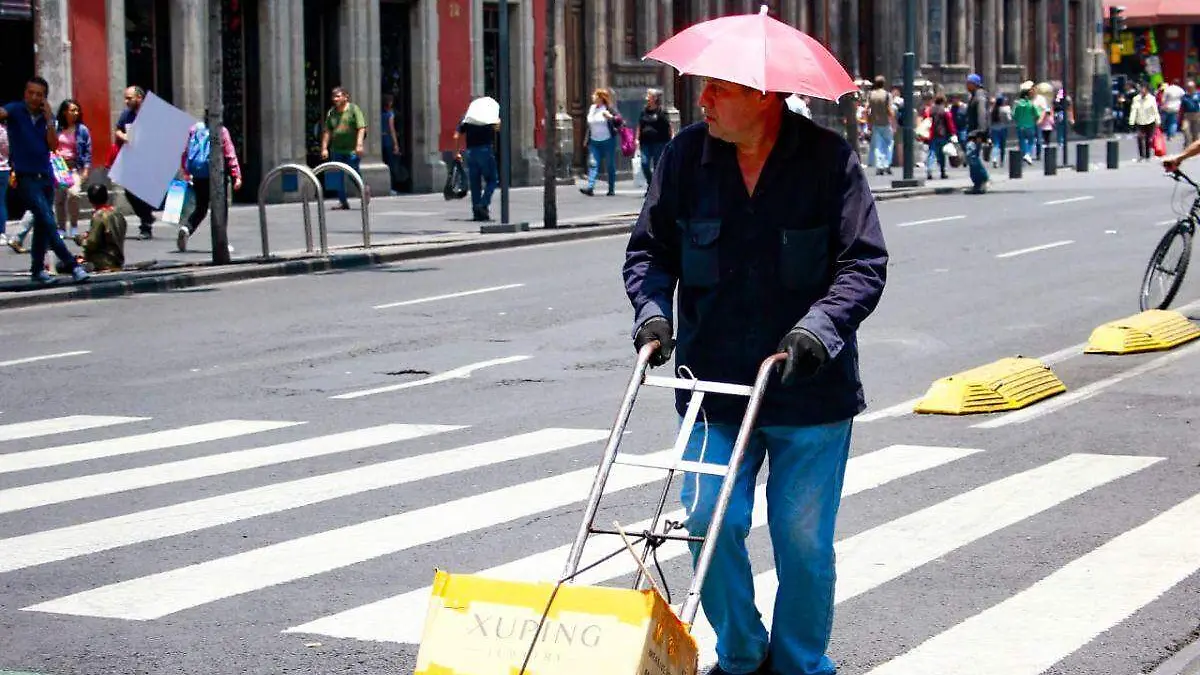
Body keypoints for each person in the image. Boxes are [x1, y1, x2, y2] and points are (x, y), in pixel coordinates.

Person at [623, 76, 888, 675]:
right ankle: (741, 656)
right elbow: (648, 252)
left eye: (719, 90)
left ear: (763, 97)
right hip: (713, 388)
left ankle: (798, 665)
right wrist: (654, 313)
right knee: (707, 520)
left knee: (802, 542)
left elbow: (864, 262)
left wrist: (820, 327)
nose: (703, 102)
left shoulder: (828, 161)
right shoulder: (685, 158)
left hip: (808, 391)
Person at [0, 77, 87, 283]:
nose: (34, 97)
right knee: (48, 220)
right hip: (25, 176)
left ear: (44, 98)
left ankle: (37, 270)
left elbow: (53, 146)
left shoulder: (46, 118)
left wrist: (49, 120)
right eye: (31, 93)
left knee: (41, 224)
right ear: (25, 93)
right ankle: (72, 264)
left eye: (39, 94)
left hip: (46, 176)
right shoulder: (15, 110)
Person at [177, 120, 243, 251]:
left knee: (201, 208)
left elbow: (185, 152)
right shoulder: (221, 131)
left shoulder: (194, 130)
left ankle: (187, 228)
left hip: (199, 176)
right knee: (220, 209)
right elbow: (230, 154)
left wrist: (185, 170)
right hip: (217, 175)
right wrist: (237, 175)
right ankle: (221, 243)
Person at [115, 86, 156, 239]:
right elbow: (118, 129)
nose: (126, 101)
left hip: (149, 159)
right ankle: (147, 217)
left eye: (129, 98)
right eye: (125, 98)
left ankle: (145, 226)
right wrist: (123, 136)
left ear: (139, 97)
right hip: (132, 159)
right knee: (129, 192)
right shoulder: (127, 114)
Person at [319, 86, 367, 210]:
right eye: (334, 97)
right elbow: (327, 131)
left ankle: (363, 190)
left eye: (338, 96)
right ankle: (343, 202)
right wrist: (324, 148)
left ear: (346, 97)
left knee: (353, 173)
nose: (335, 99)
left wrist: (359, 145)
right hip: (337, 149)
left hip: (352, 150)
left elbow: (361, 127)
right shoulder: (332, 113)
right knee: (338, 176)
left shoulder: (354, 109)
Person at [51, 98, 91, 237]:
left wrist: (86, 169)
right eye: (72, 110)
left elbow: (87, 151)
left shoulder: (82, 130)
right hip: (59, 167)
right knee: (59, 199)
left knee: (74, 194)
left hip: (75, 167)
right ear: (64, 112)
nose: (76, 113)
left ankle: (73, 225)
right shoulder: (56, 128)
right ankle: (61, 227)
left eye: (77, 110)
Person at [73, 183, 126, 272]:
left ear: (90, 200)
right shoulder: (118, 214)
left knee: (65, 263)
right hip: (117, 259)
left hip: (102, 261)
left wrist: (80, 239)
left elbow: (92, 243)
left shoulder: (99, 215)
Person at [582, 88, 618, 196]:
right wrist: (586, 139)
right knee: (593, 164)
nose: (592, 97)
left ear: (601, 98)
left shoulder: (608, 108)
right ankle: (590, 187)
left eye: (595, 95)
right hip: (594, 142)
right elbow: (590, 125)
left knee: (610, 165)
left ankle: (611, 188)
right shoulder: (592, 108)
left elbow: (619, 120)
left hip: (608, 141)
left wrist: (610, 117)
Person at [637, 88, 672, 187]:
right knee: (644, 163)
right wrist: (636, 139)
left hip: (659, 141)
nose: (647, 98)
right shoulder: (644, 111)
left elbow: (668, 126)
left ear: (655, 98)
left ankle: (655, 188)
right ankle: (651, 183)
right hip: (645, 142)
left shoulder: (661, 111)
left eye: (649, 95)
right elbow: (640, 125)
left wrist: (671, 139)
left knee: (658, 165)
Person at [964, 73, 991, 193]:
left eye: (968, 83)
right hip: (972, 132)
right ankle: (977, 183)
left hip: (976, 133)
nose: (966, 85)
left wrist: (981, 133)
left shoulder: (980, 96)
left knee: (971, 155)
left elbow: (982, 115)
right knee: (971, 156)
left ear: (974, 84)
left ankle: (983, 178)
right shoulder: (974, 95)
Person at [866, 75, 895, 175]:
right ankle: (887, 164)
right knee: (888, 144)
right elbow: (889, 110)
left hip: (875, 123)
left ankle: (879, 165)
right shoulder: (887, 95)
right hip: (886, 122)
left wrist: (869, 122)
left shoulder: (871, 94)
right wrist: (893, 121)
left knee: (878, 145)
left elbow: (867, 109)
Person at [1129, 82, 1162, 162]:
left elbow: (1155, 110)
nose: (1142, 91)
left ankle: (1147, 155)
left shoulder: (1151, 98)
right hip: (1140, 121)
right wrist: (1131, 121)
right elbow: (1133, 110)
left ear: (1147, 90)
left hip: (1150, 121)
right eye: (1141, 89)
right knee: (1139, 138)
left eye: (1144, 89)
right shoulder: (1136, 99)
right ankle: (1141, 155)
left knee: (1148, 139)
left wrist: (1158, 120)